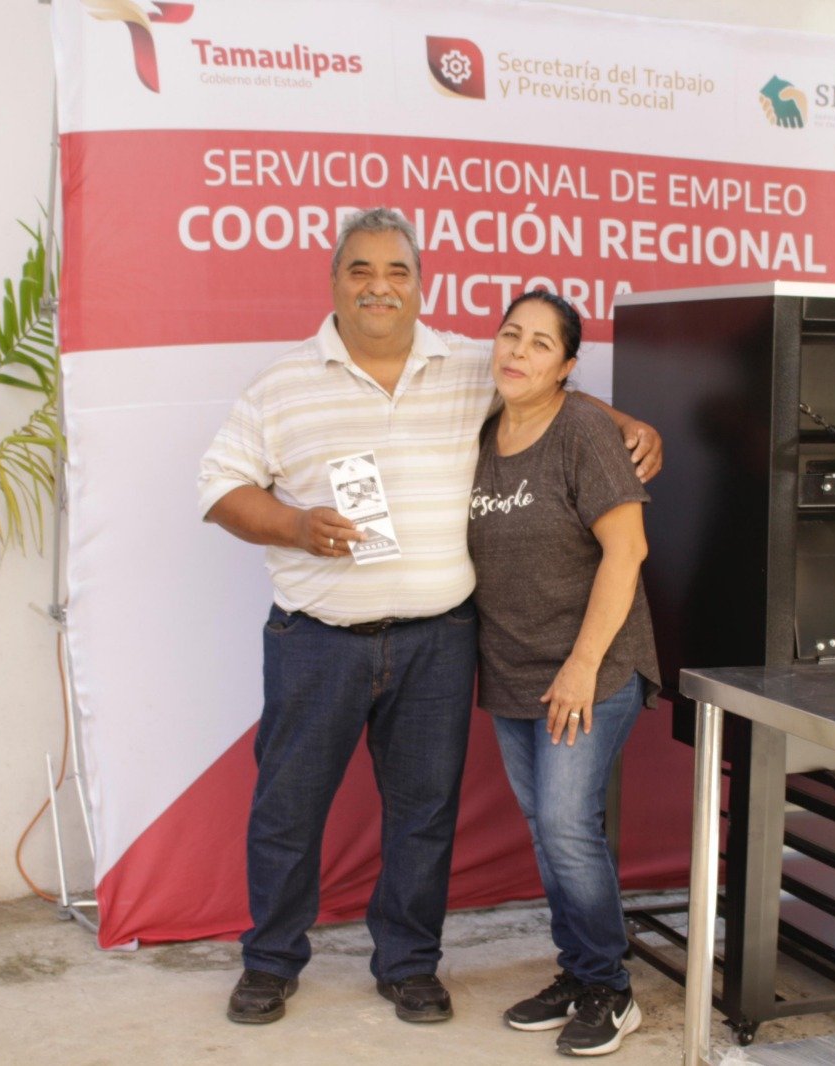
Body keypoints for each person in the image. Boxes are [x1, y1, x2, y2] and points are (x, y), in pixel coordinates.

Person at [195, 208, 661, 1027]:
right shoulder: (281, 384)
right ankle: (269, 962)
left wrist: (624, 424)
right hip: (317, 640)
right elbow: (220, 490)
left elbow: (543, 388)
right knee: (288, 809)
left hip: (438, 641)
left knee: (424, 815)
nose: (379, 287)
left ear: (420, 285)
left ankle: (410, 965)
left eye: (397, 271)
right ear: (334, 282)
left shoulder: (466, 365)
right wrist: (295, 526)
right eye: (361, 270)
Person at [467, 290, 660, 1057]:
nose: (519, 352)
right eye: (511, 335)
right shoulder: (481, 428)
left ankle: (611, 989)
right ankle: (579, 972)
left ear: (567, 366)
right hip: (513, 669)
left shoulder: (582, 431)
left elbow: (628, 550)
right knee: (548, 832)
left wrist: (582, 667)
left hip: (592, 667)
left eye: (541, 344)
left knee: (566, 825)